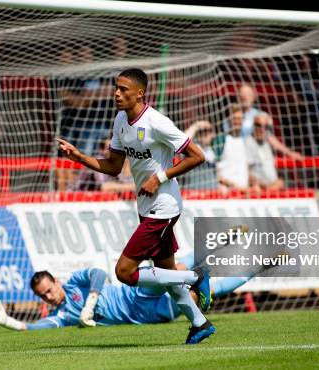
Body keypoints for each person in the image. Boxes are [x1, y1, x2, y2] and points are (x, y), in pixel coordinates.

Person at [57, 68, 214, 344]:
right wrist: (79, 157)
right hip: (146, 207)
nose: (117, 93)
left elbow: (196, 156)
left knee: (125, 272)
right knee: (165, 275)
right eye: (116, 88)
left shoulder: (157, 122)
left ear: (140, 93)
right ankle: (200, 324)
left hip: (164, 208)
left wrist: (160, 177)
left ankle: (195, 276)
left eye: (123, 89)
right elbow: (114, 167)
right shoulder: (120, 120)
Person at [0, 254, 259, 331]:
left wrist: (90, 300)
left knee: (171, 266)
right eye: (43, 296)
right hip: (148, 313)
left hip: (135, 293)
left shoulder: (74, 283)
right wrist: (9, 322)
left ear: (56, 282)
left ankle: (220, 243)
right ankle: (259, 264)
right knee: (195, 295)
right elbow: (35, 327)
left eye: (48, 290)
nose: (48, 297)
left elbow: (98, 273)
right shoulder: (64, 316)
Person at [245, 113, 285, 191]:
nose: (262, 129)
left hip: (273, 189)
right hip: (261, 191)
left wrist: (278, 182)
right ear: (253, 125)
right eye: (259, 125)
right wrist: (268, 186)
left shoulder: (266, 143)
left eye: (265, 126)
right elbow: (246, 173)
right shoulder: (249, 143)